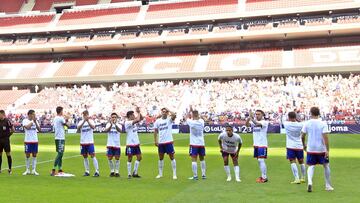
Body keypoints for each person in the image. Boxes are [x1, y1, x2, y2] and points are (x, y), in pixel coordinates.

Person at [301, 107, 333, 192]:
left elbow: (302, 136)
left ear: (310, 113)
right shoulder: (323, 123)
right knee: (326, 165)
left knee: (311, 166)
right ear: (319, 113)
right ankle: (328, 185)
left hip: (311, 148)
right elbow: (325, 137)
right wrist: (327, 150)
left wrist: (304, 145)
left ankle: (310, 182)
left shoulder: (307, 123)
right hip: (321, 148)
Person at [246, 109, 269, 183]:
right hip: (256, 144)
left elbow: (258, 124)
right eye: (256, 114)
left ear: (262, 115)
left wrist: (252, 118)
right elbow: (247, 125)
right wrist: (249, 117)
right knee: (259, 161)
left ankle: (264, 177)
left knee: (260, 160)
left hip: (262, 144)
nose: (257, 115)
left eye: (258, 114)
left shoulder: (264, 122)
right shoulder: (253, 121)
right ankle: (262, 176)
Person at [154, 108, 177, 180]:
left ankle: (174, 174)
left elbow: (174, 115)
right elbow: (155, 131)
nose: (164, 113)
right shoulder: (158, 121)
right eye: (163, 111)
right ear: (161, 112)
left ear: (167, 113)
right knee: (160, 158)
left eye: (165, 112)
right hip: (161, 142)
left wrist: (168, 109)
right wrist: (155, 140)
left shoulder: (169, 119)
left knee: (172, 157)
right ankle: (160, 174)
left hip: (169, 141)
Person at [283, 111, 306, 184]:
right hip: (299, 145)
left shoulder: (286, 124)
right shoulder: (301, 124)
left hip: (290, 146)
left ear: (289, 117)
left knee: (292, 162)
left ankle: (297, 178)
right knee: (301, 162)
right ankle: (303, 177)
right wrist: (297, 119)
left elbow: (285, 121)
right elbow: (301, 123)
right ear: (295, 117)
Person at [77, 110, 99, 177]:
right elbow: (78, 128)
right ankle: (87, 171)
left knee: (93, 155)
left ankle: (97, 171)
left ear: (88, 115)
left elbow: (93, 127)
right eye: (84, 115)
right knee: (85, 156)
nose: (85, 116)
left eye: (86, 115)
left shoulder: (91, 121)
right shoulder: (81, 122)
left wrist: (88, 121)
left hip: (90, 142)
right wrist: (84, 121)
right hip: (83, 142)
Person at [186, 107, 206, 180]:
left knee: (194, 159)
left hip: (194, 143)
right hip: (201, 143)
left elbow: (186, 117)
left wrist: (189, 110)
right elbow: (199, 117)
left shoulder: (191, 122)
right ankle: (203, 175)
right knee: (202, 159)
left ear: (193, 115)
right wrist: (194, 112)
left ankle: (195, 176)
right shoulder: (201, 121)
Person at [51, 106, 70, 176]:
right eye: (62, 111)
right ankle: (53, 169)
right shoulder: (60, 118)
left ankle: (60, 169)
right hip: (60, 138)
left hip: (57, 137)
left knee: (60, 154)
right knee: (60, 154)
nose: (63, 112)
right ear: (61, 111)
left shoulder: (55, 118)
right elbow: (68, 125)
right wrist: (68, 119)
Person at [125, 107, 143, 179]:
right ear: (129, 116)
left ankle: (135, 172)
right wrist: (138, 112)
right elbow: (138, 119)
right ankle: (129, 173)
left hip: (136, 143)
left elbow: (140, 118)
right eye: (133, 115)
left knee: (139, 157)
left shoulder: (134, 122)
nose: (134, 116)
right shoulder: (127, 122)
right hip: (130, 143)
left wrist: (139, 112)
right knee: (130, 158)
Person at [22, 110, 41, 176]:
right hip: (27, 140)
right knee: (27, 155)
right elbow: (27, 127)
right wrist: (33, 121)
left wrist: (35, 122)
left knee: (34, 155)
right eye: (33, 114)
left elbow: (39, 130)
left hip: (35, 140)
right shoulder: (25, 121)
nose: (34, 115)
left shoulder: (36, 121)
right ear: (29, 115)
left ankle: (33, 170)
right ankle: (27, 169)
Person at [104, 113, 122, 177]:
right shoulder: (108, 124)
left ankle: (117, 172)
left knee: (117, 158)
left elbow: (120, 130)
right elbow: (106, 131)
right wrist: (111, 125)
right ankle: (112, 171)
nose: (113, 118)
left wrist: (115, 125)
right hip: (110, 143)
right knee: (110, 158)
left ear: (117, 118)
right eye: (112, 117)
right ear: (111, 118)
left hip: (117, 144)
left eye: (115, 117)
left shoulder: (119, 125)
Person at [0, 110, 15, 174]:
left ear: (3, 114)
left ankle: (10, 169)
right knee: (0, 154)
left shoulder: (7, 121)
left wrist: (8, 135)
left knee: (8, 154)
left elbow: (13, 129)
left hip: (6, 140)